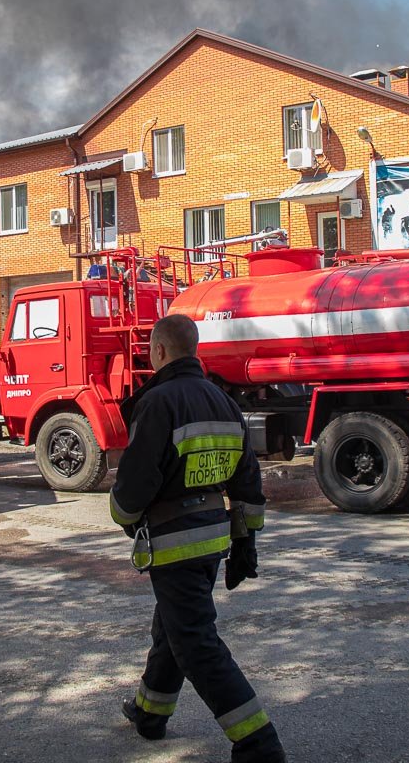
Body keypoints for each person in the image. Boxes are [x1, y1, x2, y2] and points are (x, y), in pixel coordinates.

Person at [110, 314, 285, 763]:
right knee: (173, 628)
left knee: (195, 642)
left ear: (161, 351)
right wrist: (247, 541)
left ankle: (257, 742)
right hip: (214, 539)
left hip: (174, 542)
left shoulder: (159, 401)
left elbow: (135, 483)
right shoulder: (222, 401)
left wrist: (124, 515)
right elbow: (248, 477)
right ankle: (150, 713)